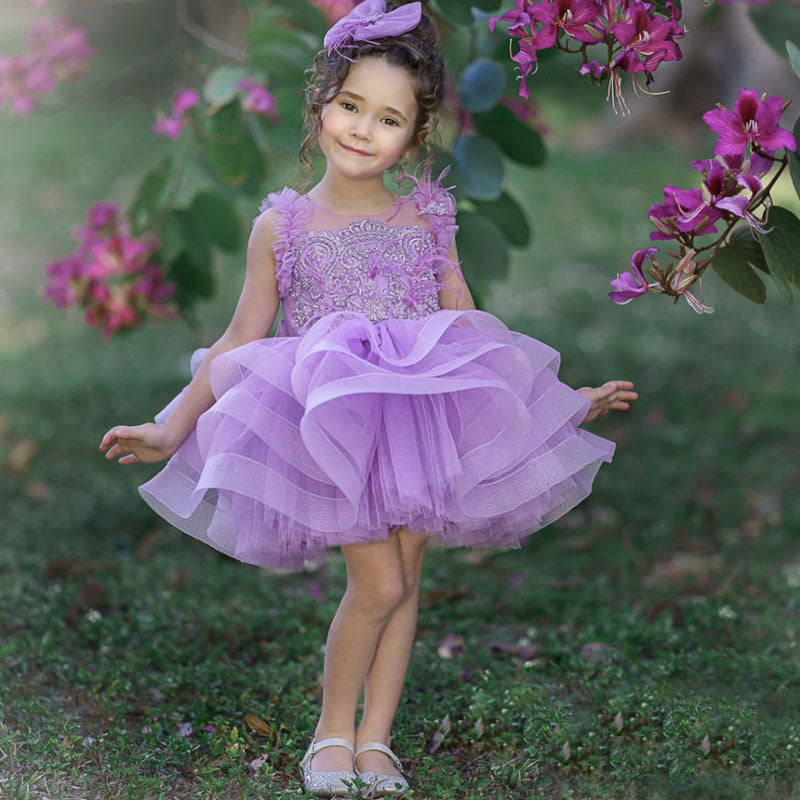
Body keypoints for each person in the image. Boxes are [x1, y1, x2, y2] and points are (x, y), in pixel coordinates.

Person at [99, 0, 638, 796]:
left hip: (421, 412)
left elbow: (471, 322)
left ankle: (375, 742)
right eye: (350, 106)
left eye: (388, 118)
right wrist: (172, 424)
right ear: (320, 105)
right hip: (335, 422)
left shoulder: (428, 215)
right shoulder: (281, 226)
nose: (361, 129)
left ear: (415, 137)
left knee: (407, 578)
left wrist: (558, 399)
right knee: (377, 583)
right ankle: (329, 737)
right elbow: (238, 342)